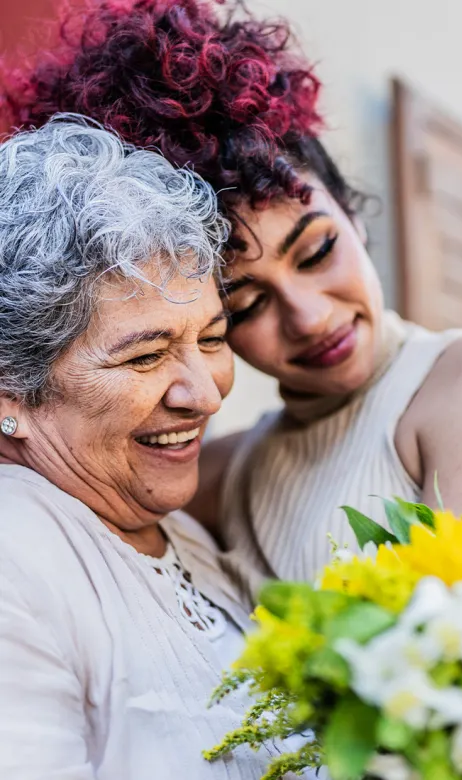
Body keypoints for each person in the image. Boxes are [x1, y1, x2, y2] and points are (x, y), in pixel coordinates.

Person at [3, 2, 462, 768]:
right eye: (247, 303)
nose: (308, 314)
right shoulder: (217, 478)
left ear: (352, 212)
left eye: (319, 247)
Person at [0, 115, 300, 780]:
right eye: (147, 354)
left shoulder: (181, 537)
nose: (205, 393)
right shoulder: (14, 560)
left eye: (213, 338)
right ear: (10, 391)